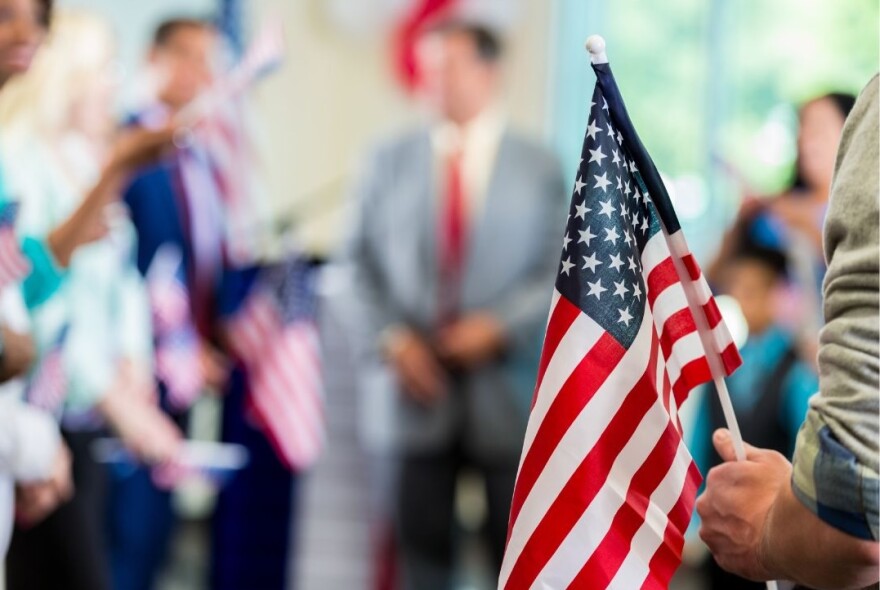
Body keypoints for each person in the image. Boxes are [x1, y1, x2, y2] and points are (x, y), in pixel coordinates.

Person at [347, 20, 567, 589]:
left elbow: (557, 269)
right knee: (420, 562)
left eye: (449, 66)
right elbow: (357, 265)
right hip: (411, 396)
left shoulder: (538, 163)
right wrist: (394, 341)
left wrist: (496, 326)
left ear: (488, 72)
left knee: (518, 557)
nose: (433, 81)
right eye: (428, 67)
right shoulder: (387, 158)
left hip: (507, 393)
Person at [0, 11, 183, 590]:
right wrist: (109, 394)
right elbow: (38, 297)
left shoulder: (84, 162)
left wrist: (133, 364)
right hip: (41, 409)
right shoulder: (22, 161)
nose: (113, 84)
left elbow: (119, 287)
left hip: (76, 414)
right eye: (104, 69)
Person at [121, 17, 301, 590]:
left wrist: (216, 334)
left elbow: (202, 253)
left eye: (211, 62)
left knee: (157, 540)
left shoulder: (197, 154)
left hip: (189, 367)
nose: (203, 75)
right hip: (133, 374)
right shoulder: (128, 146)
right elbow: (131, 269)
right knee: (124, 537)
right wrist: (174, 347)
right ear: (156, 57)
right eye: (189, 58)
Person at [696, 75, 879, 589]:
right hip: (770, 374)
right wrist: (746, 217)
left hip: (833, 398)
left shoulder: (817, 211)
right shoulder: (772, 213)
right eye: (801, 129)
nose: (807, 140)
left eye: (820, 128)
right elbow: (714, 277)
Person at [689, 242, 818, 588]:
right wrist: (693, 525)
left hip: (776, 538)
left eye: (753, 290)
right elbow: (700, 444)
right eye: (738, 290)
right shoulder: (723, 369)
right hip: (721, 537)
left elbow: (805, 454)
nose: (745, 300)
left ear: (775, 293)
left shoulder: (798, 372)